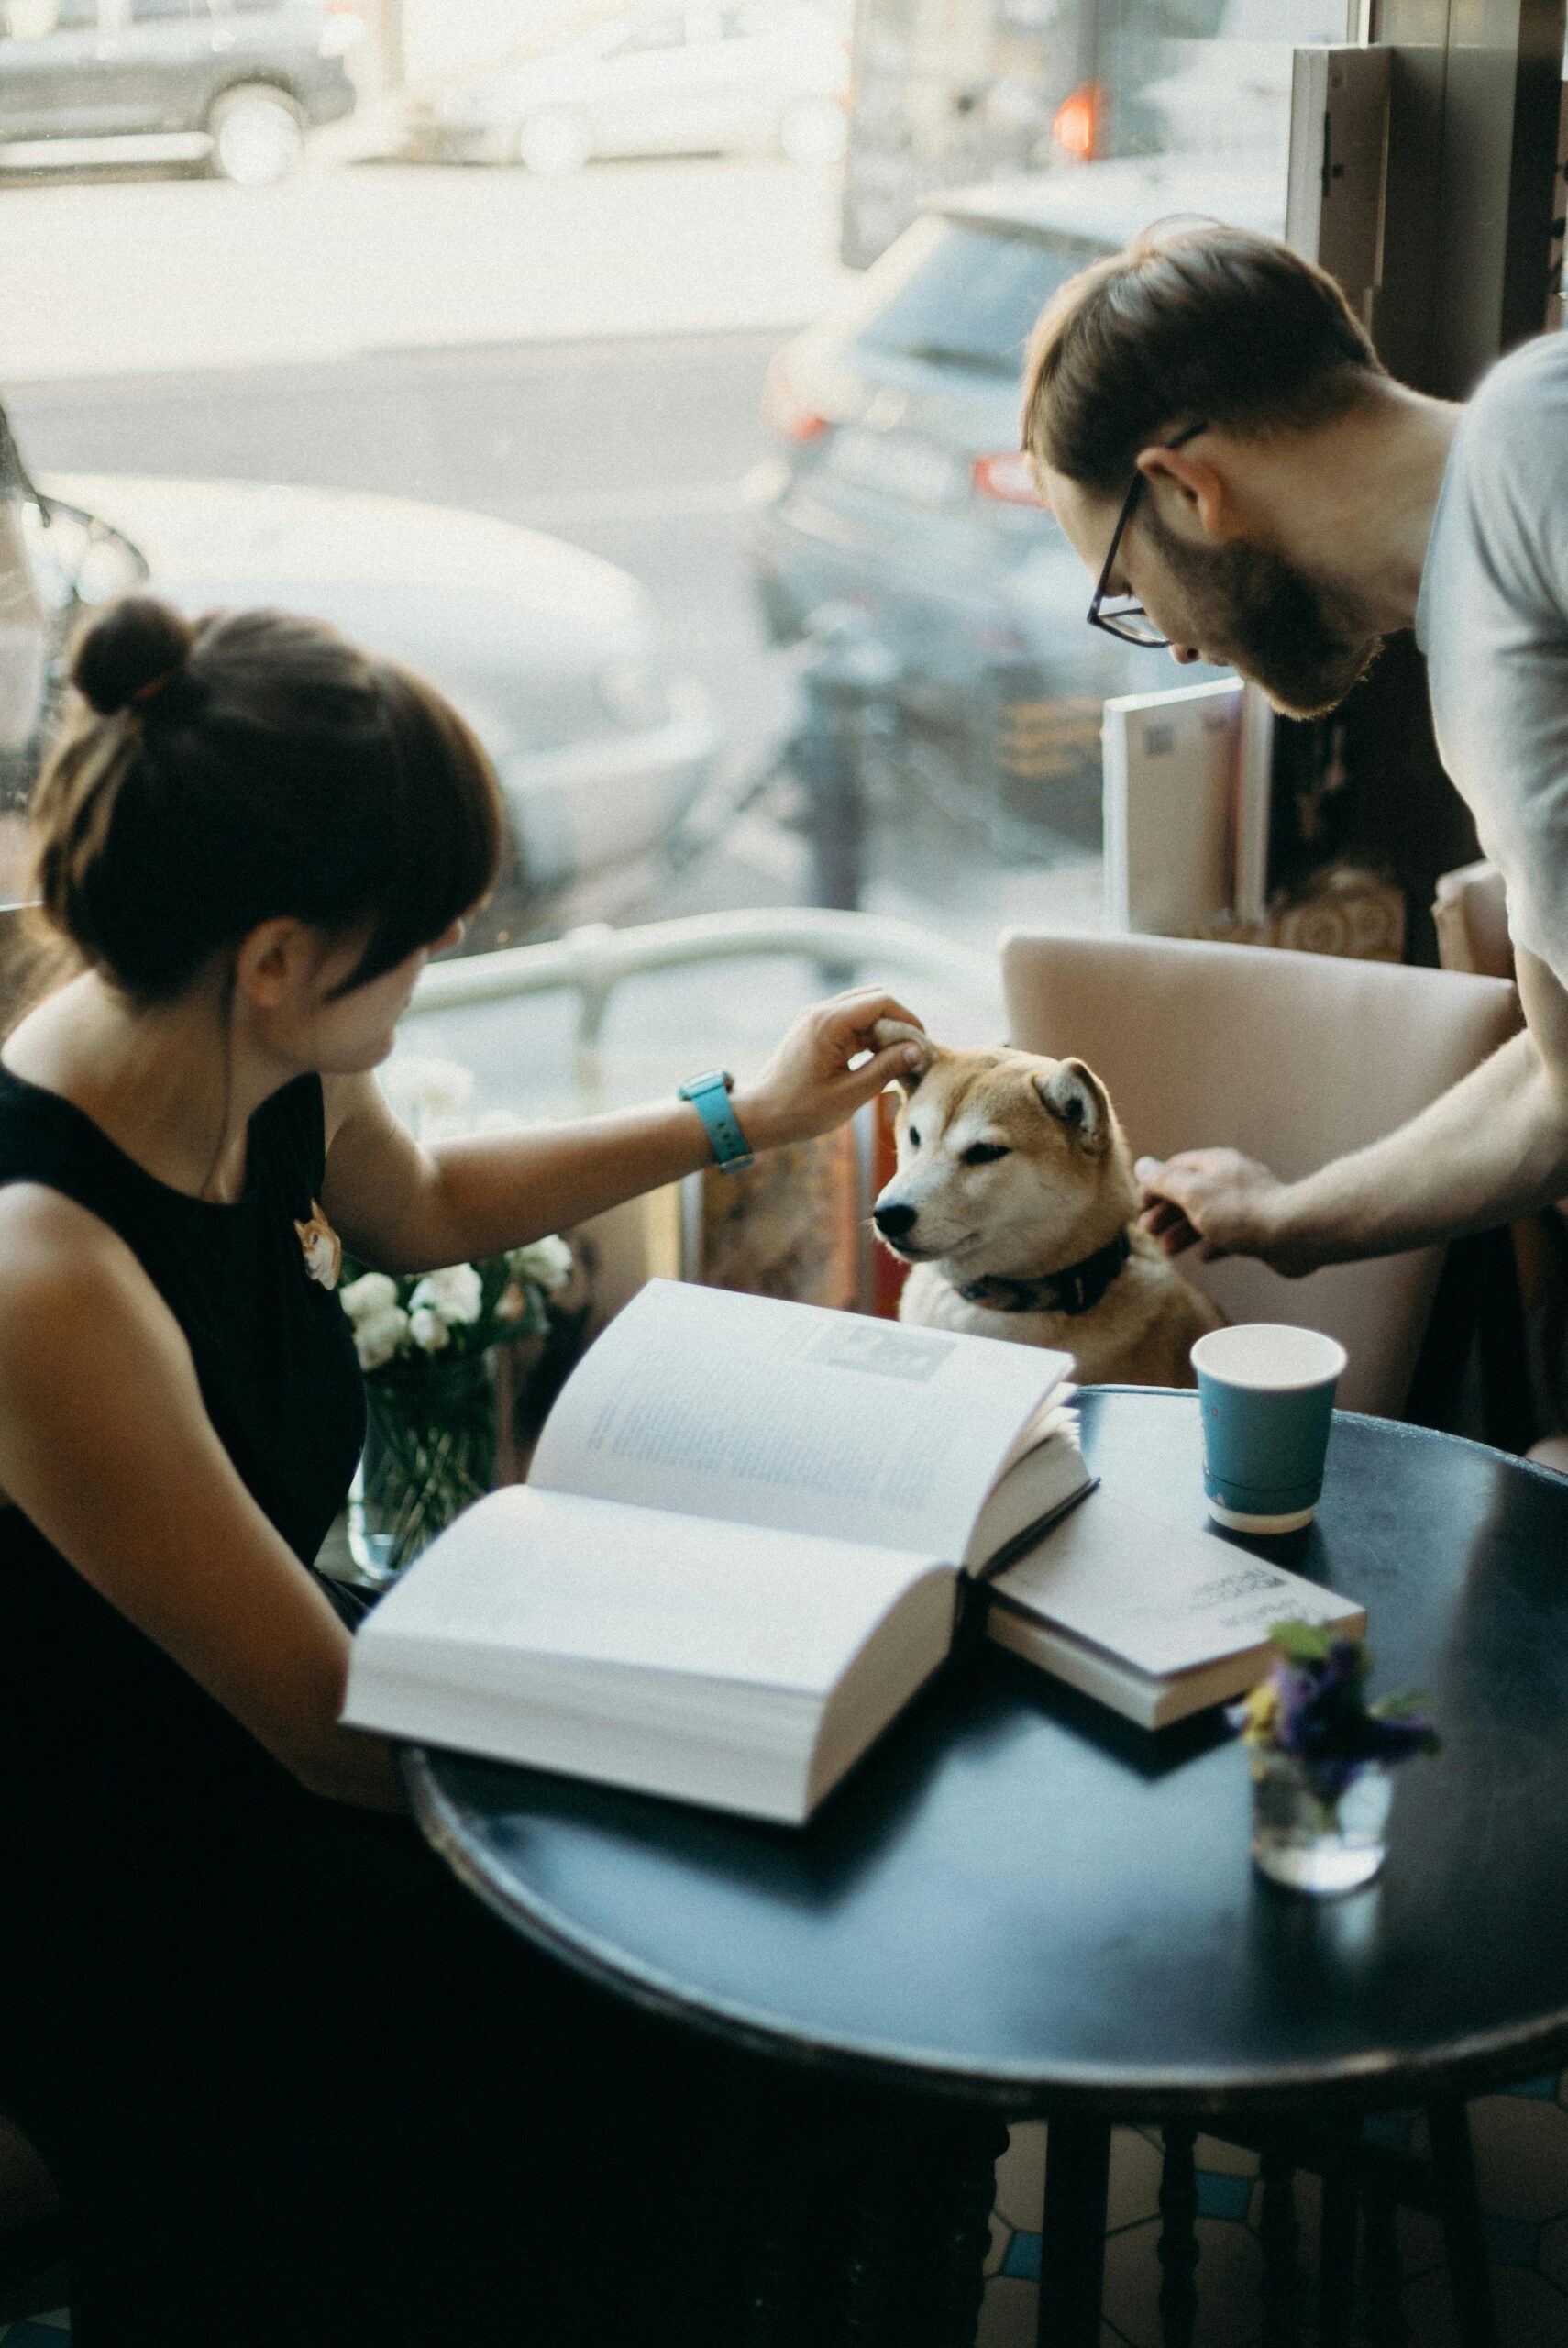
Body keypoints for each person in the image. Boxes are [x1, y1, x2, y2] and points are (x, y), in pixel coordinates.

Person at [0, 593, 929, 2347]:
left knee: (750, 1992)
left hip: (280, 1734)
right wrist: (682, 1773)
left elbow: (418, 1206)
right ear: (282, 956)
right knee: (675, 2026)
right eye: (416, 939)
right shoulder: (43, 1265)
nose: (431, 967)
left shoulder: (242, 1044)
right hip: (139, 1884)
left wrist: (751, 1110)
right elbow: (328, 1731)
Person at [1020, 221, 1568, 1279]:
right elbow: (1561, 1089)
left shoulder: (1534, 438)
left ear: (1188, 487)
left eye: (1128, 589)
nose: (1175, 643)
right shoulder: (1470, 655)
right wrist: (1290, 1218)